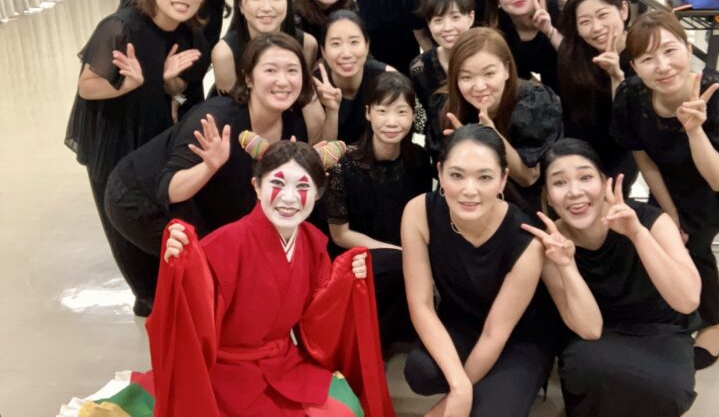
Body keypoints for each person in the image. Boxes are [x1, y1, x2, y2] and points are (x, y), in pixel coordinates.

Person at [105, 33, 327, 313]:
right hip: (140, 198)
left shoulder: (293, 126)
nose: (283, 81)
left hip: (207, 202)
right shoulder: (215, 119)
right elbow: (169, 189)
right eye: (270, 70)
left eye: (292, 71)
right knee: (206, 277)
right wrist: (208, 167)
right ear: (248, 78)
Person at [157, 139, 371, 415]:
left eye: (303, 187)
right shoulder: (223, 246)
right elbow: (193, 321)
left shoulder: (313, 243)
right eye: (277, 183)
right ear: (257, 187)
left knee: (345, 410)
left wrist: (346, 282)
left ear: (318, 194)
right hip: (226, 373)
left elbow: (319, 319)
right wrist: (183, 268)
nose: (289, 198)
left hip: (284, 362)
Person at [611, 10, 719, 369]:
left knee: (694, 239)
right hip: (673, 165)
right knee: (664, 228)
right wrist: (669, 213)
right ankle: (675, 298)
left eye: (670, 50)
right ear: (634, 66)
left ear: (688, 48)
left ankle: (713, 321)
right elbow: (644, 158)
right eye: (647, 59)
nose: (663, 66)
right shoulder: (631, 94)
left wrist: (694, 130)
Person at [65, 0, 209, 315]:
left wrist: (166, 81)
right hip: (113, 137)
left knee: (157, 219)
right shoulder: (120, 27)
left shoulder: (189, 34)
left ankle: (166, 298)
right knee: (125, 230)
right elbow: (87, 86)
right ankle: (149, 302)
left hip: (152, 131)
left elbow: (178, 92)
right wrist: (127, 86)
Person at [401, 125, 571, 417]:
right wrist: (460, 387)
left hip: (518, 338)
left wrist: (447, 405)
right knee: (421, 371)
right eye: (457, 175)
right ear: (440, 172)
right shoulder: (418, 212)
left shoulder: (525, 236)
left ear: (503, 179)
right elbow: (422, 305)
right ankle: (477, 387)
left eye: (485, 177)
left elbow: (495, 332)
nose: (469, 190)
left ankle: (505, 385)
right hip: (462, 324)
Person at [534, 138, 701, 416]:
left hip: (659, 329)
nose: (574, 192)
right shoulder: (551, 243)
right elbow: (590, 329)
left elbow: (687, 301)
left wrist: (637, 234)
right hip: (595, 339)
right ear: (549, 196)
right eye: (559, 183)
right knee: (588, 370)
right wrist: (566, 265)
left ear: (604, 183)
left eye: (585, 177)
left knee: (668, 389)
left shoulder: (652, 221)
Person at [327, 71, 432, 350]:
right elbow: (340, 235)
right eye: (382, 111)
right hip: (357, 256)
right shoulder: (344, 165)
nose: (392, 121)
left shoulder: (419, 160)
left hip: (404, 252)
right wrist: (398, 252)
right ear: (368, 113)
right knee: (396, 266)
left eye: (401, 112)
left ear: (413, 116)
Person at [443, 27, 563, 214]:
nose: (479, 86)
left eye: (489, 74)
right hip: (476, 204)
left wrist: (491, 137)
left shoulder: (535, 101)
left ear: (506, 70)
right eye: (466, 77)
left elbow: (529, 178)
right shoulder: (451, 109)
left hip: (532, 205)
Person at [557, 0, 638, 190]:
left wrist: (616, 77)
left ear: (623, 10)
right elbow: (571, 118)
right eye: (585, 21)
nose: (596, 28)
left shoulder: (641, 54)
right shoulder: (572, 54)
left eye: (603, 15)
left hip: (626, 150)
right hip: (581, 147)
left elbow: (632, 129)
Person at [211, 0, 318, 95]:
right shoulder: (224, 54)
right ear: (240, 5)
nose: (266, 7)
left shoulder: (307, 44)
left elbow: (303, 95)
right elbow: (228, 105)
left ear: (288, 2)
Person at [409, 0, 475, 164]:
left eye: (455, 17)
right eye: (438, 20)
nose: (447, 27)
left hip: (482, 146)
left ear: (471, 17)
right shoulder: (420, 67)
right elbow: (424, 114)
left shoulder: (486, 58)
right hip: (441, 153)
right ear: (429, 24)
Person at [313, 10, 393, 145]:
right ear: (323, 51)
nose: (346, 54)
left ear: (367, 46)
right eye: (336, 44)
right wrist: (332, 111)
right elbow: (321, 151)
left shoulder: (387, 78)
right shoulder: (314, 87)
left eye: (354, 42)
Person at [485, 0, 561, 92]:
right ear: (497, 1)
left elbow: (580, 60)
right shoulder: (500, 31)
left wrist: (550, 31)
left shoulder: (560, 8)